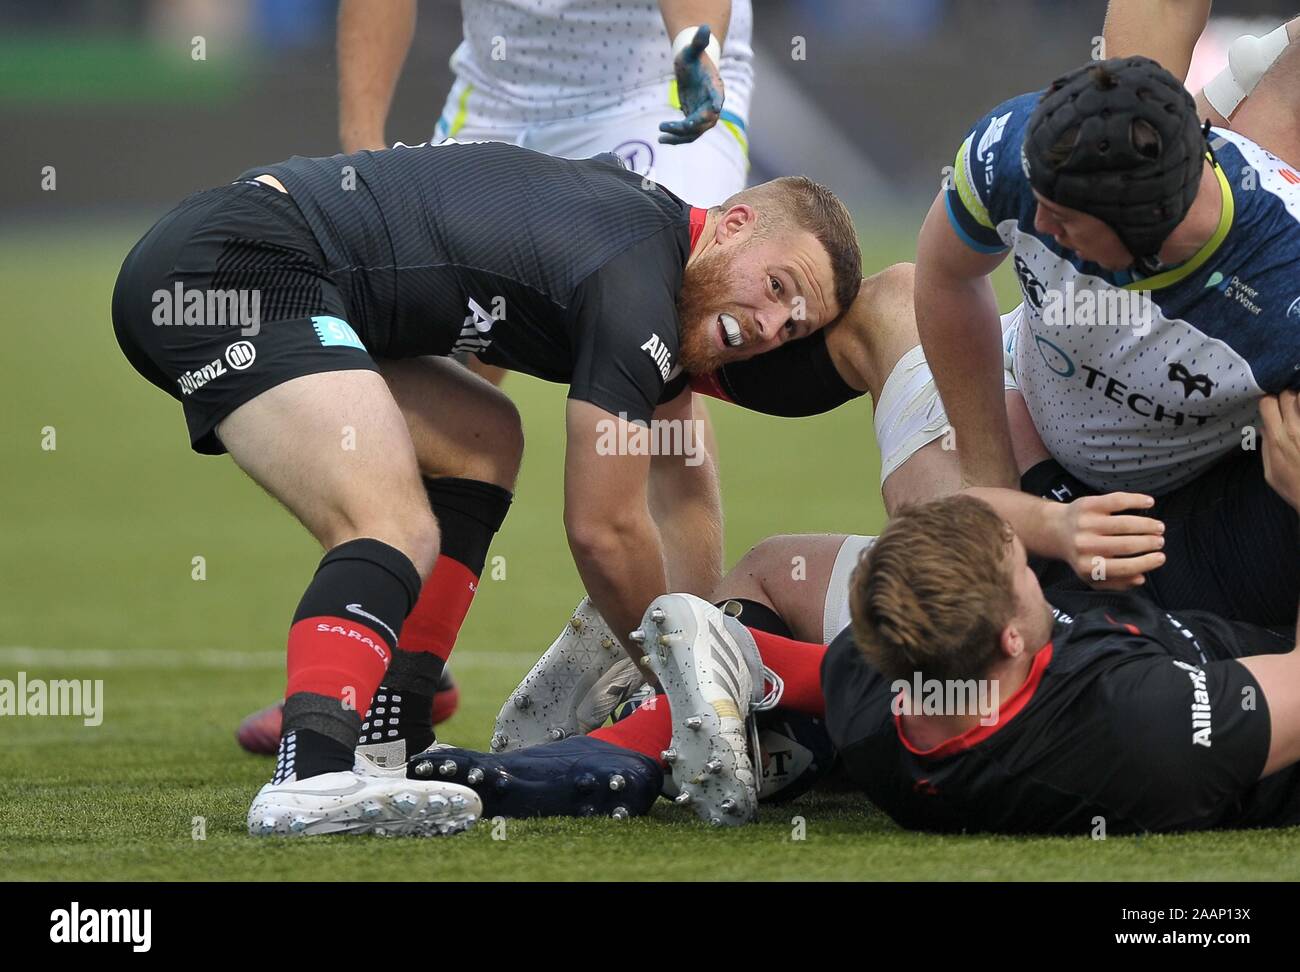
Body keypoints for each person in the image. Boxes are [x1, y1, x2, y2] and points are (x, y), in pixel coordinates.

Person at [111, 135, 859, 836]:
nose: (770, 326)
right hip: (235, 270)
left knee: (481, 437)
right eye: (777, 287)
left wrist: (680, 668)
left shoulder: (658, 260)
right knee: (389, 522)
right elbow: (605, 529)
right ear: (731, 226)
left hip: (259, 264)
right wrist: (679, 680)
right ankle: (311, 775)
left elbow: (680, 487)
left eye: (793, 326)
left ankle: (388, 738)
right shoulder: (638, 290)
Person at [914, 50, 1300, 626]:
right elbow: (946, 274)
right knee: (943, 581)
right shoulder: (1018, 148)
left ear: (1150, 225)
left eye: (1063, 222)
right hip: (1019, 412)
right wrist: (990, 484)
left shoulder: (1283, 285)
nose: (1040, 229)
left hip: (1186, 501)